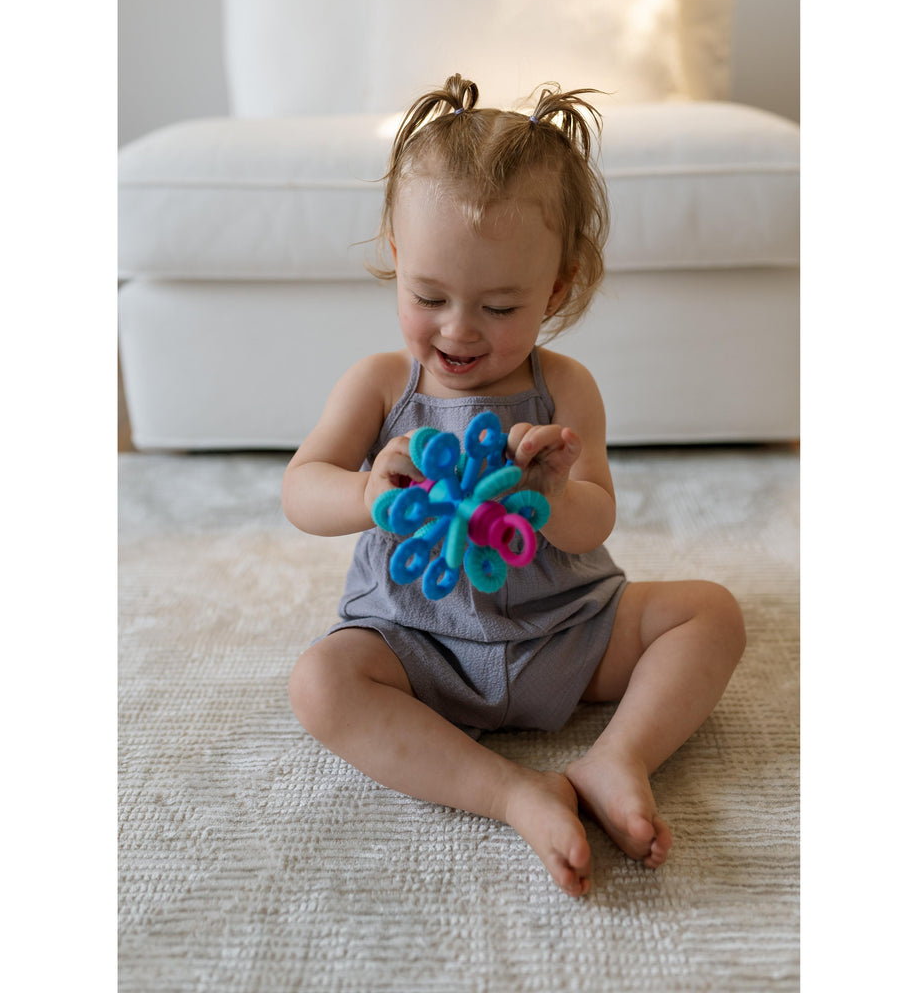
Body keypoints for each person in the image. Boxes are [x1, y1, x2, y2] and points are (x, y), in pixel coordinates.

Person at [282, 74, 746, 897]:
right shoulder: (381, 385)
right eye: (429, 296)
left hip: (562, 632)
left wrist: (555, 494)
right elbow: (301, 488)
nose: (459, 330)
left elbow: (597, 517)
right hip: (417, 644)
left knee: (710, 613)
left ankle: (617, 759)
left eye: (500, 307)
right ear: (397, 253)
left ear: (557, 287)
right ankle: (511, 792)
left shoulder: (563, 387)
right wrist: (366, 494)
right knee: (320, 684)